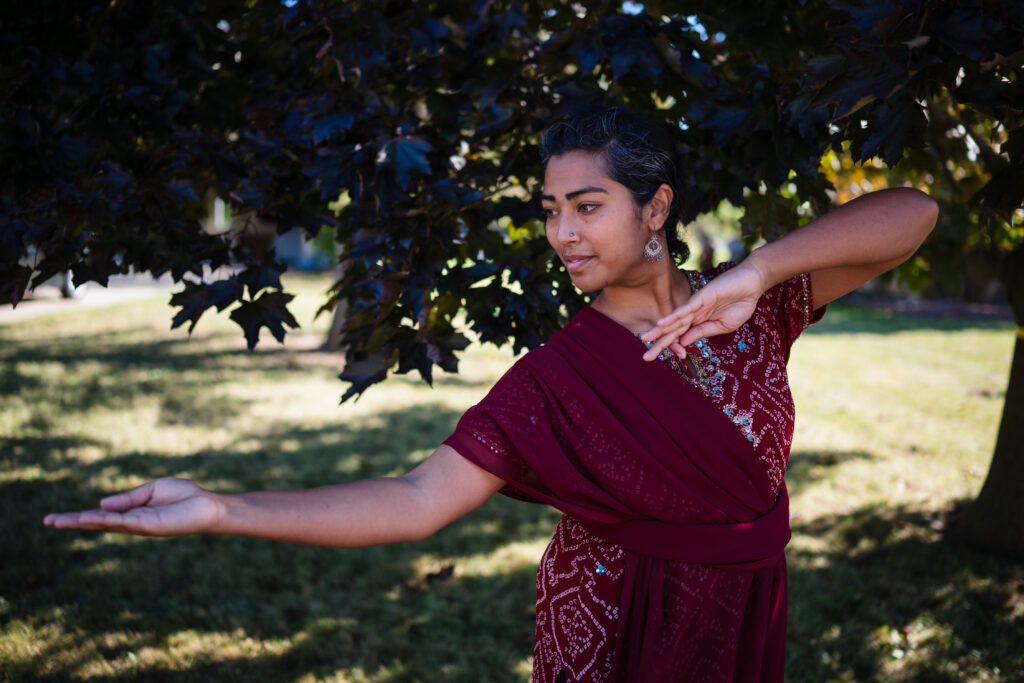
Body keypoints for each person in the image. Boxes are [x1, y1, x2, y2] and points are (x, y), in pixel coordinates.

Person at [45, 108, 938, 682]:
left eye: (586, 206)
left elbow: (915, 214)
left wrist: (757, 267)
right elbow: (416, 499)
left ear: (656, 207)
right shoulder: (556, 376)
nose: (560, 233)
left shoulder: (751, 306)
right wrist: (224, 508)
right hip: (613, 627)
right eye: (549, 208)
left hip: (745, 612)